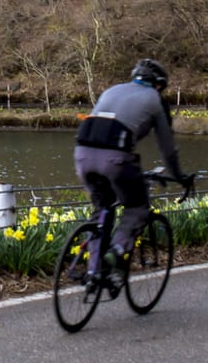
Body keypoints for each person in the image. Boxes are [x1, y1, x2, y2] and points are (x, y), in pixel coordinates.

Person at [73, 58, 195, 287]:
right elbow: (167, 149)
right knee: (137, 207)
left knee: (102, 209)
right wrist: (179, 176)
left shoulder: (112, 90)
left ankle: (94, 272)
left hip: (82, 153)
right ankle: (117, 250)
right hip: (115, 158)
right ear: (159, 85)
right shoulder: (155, 100)